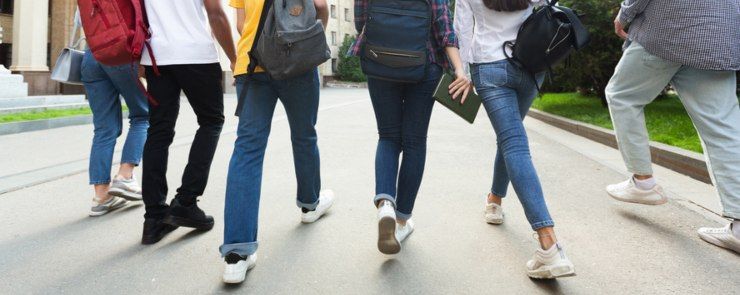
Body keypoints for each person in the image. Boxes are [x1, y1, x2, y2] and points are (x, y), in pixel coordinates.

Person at [606, 0, 740, 253]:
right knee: (723, 127)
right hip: (720, 36)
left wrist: (625, 13)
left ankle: (643, 183)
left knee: (622, 96)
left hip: (669, 29)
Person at [455, 0, 576, 279]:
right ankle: (495, 200)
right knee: (511, 139)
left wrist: (464, 71)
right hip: (531, 63)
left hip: (490, 66)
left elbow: (461, 29)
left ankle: (549, 244)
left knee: (513, 143)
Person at [219, 0, 332, 284]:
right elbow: (320, 7)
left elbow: (240, 23)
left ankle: (237, 253)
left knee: (247, 150)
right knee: (304, 135)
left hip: (253, 60)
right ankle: (309, 204)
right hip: (297, 60)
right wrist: (307, 44)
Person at [350, 0, 470, 255]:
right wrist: (459, 69)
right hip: (424, 65)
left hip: (379, 60)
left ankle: (385, 203)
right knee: (415, 142)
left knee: (388, 136)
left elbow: (362, 20)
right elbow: (443, 27)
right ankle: (401, 220)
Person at [139, 0, 237, 245]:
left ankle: (153, 219)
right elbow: (216, 13)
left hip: (156, 56)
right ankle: (186, 201)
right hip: (196, 54)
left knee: (158, 131)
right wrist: (234, 59)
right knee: (211, 121)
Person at [78, 9, 148, 217]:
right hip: (120, 52)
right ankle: (125, 176)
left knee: (104, 129)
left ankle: (101, 197)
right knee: (143, 115)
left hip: (91, 56)